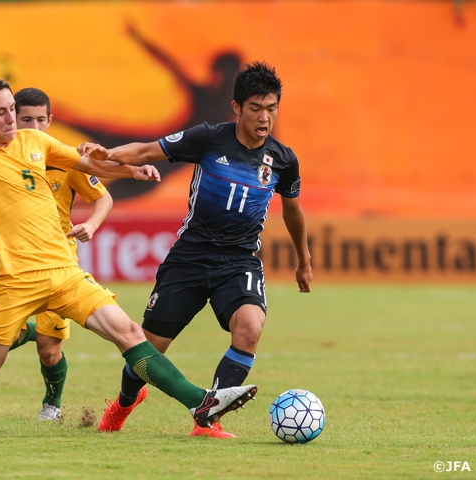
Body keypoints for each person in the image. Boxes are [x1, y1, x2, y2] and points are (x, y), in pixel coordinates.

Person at [0, 34, 258, 431]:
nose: (11, 119)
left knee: (127, 331)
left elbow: (88, 165)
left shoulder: (35, 141)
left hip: (65, 271)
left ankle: (201, 403)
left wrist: (130, 169)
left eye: (13, 109)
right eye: (0, 113)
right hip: (15, 281)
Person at [85, 61, 312, 438]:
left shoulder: (283, 160)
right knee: (149, 347)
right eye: (256, 108)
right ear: (237, 108)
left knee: (250, 328)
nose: (264, 117)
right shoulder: (208, 138)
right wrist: (107, 155)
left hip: (239, 260)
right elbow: (145, 151)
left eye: (271, 108)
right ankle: (124, 402)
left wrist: (303, 261)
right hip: (190, 256)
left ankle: (207, 420)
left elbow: (293, 210)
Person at [0, 87, 114, 421]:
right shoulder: (5, 156)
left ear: (50, 121)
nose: (32, 126)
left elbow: (103, 198)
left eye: (39, 120)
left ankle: (52, 404)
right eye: (25, 118)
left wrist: (91, 224)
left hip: (59, 264)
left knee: (49, 350)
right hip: (14, 265)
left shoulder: (66, 161)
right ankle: (28, 334)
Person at [50, 24, 242, 200]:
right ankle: (59, 118)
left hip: (153, 167)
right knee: (100, 142)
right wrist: (139, 40)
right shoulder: (214, 102)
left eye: (219, 73)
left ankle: (59, 119)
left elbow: (173, 67)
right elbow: (172, 66)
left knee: (99, 190)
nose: (214, 77)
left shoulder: (229, 112)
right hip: (152, 156)